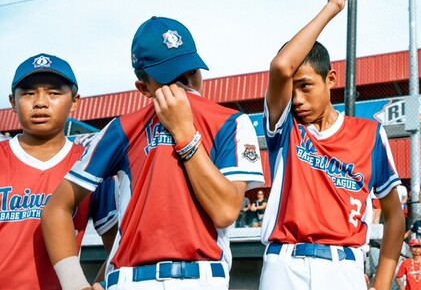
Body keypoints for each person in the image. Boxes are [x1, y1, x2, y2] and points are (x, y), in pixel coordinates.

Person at [42, 17, 265, 290]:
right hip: (131, 278)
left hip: (199, 275)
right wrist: (76, 285)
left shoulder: (230, 122)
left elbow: (225, 211)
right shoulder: (122, 128)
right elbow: (56, 207)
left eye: (190, 71)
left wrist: (185, 135)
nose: (185, 84)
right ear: (143, 88)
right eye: (170, 78)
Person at [259, 0, 404, 290]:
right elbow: (282, 65)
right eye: (292, 88)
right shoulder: (286, 128)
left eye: (306, 85)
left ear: (331, 79)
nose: (297, 98)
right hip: (284, 264)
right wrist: (332, 7)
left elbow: (394, 216)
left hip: (344, 268)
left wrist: (380, 285)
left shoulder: (370, 134)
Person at [0, 53, 116, 290]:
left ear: (74, 102)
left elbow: (117, 246)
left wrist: (98, 284)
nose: (40, 102)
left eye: (54, 93)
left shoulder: (89, 165)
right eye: (29, 93)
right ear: (13, 101)